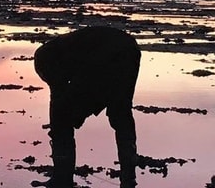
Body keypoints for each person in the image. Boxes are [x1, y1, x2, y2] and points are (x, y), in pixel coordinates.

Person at [34, 25, 140, 177]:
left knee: (66, 118)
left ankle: (63, 168)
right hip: (129, 47)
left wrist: (66, 121)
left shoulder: (49, 59)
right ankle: (128, 166)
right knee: (120, 110)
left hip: (107, 53)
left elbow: (59, 96)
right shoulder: (59, 51)